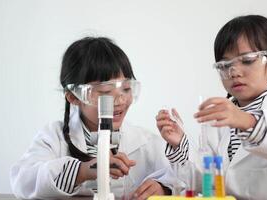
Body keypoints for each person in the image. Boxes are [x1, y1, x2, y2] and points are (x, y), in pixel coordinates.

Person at [156, 15, 267, 199]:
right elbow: (207, 181)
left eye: (247, 60)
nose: (234, 72)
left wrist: (245, 120)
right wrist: (179, 142)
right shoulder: (222, 118)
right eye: (225, 65)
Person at [10, 37, 173, 199]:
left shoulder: (146, 142)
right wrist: (82, 171)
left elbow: (183, 175)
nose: (120, 100)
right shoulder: (54, 137)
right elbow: (23, 182)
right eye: (105, 92)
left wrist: (163, 188)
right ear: (73, 97)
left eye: (126, 88)